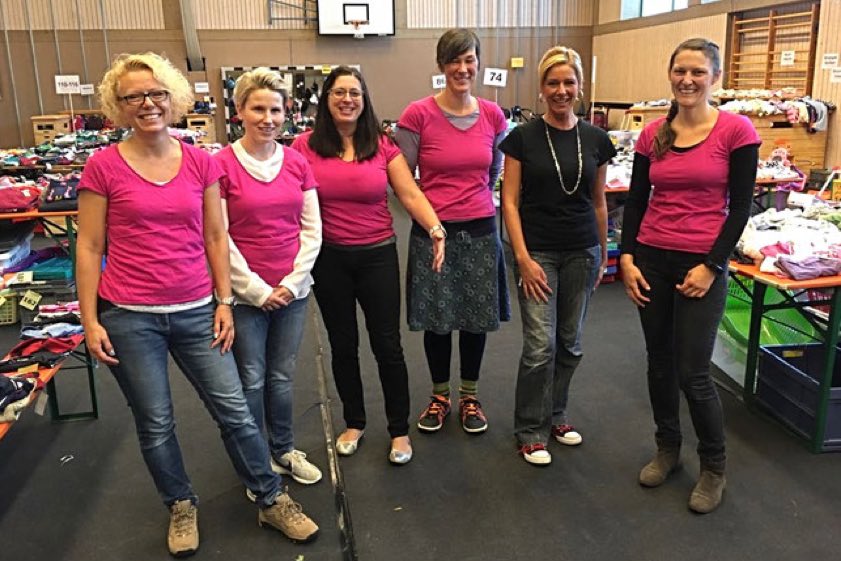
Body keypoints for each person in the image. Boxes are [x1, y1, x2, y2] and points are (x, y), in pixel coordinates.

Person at [77, 53, 319, 556]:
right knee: (156, 422)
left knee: (235, 411)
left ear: (173, 98)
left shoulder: (200, 163)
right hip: (129, 317)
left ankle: (271, 498)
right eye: (133, 96)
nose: (147, 103)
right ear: (118, 105)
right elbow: (91, 246)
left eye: (156, 93)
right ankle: (181, 503)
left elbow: (215, 236)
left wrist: (225, 302)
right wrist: (90, 318)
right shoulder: (102, 166)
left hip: (196, 309)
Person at [619, 38, 760, 514]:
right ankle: (668, 449)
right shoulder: (653, 134)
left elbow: (740, 209)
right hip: (652, 259)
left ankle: (714, 467)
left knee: (693, 371)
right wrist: (627, 257)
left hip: (702, 262)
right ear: (670, 74)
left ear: (715, 77)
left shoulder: (736, 131)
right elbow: (635, 202)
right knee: (659, 362)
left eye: (698, 72)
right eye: (680, 71)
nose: (687, 80)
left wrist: (712, 265)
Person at [291, 66, 445, 464]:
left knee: (387, 345)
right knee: (343, 345)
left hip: (377, 256)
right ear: (326, 99)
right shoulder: (304, 147)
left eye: (354, 93)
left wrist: (435, 227)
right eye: (339, 92)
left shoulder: (381, 145)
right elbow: (285, 197)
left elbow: (409, 193)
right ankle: (354, 422)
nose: (347, 99)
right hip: (329, 260)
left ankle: (399, 430)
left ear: (364, 100)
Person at [500, 46, 615, 465]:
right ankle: (530, 429)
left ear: (580, 87)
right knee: (539, 346)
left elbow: (599, 202)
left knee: (570, 343)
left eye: (569, 82)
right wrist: (523, 258)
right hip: (538, 253)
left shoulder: (597, 140)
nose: (561, 90)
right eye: (553, 83)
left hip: (582, 252)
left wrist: (603, 253)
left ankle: (556, 415)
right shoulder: (522, 138)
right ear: (542, 87)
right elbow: (509, 202)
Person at [395, 28, 509, 434]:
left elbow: (493, 173)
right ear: (442, 66)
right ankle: (440, 396)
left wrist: (470, 201)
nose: (462, 68)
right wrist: (433, 221)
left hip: (480, 232)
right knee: (437, 319)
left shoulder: (494, 116)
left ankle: (470, 396)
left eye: (469, 60)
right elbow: (403, 181)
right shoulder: (417, 115)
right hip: (433, 234)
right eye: (454, 61)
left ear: (478, 63)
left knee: (476, 319)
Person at [215, 68, 323, 492]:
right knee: (252, 379)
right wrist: (258, 291)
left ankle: (283, 449)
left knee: (281, 377)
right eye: (258, 109)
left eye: (275, 110)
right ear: (240, 110)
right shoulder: (221, 165)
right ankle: (257, 462)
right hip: (246, 299)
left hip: (292, 294)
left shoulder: (297, 162)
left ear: (286, 112)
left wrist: (292, 284)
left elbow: (312, 229)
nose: (268, 118)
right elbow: (218, 236)